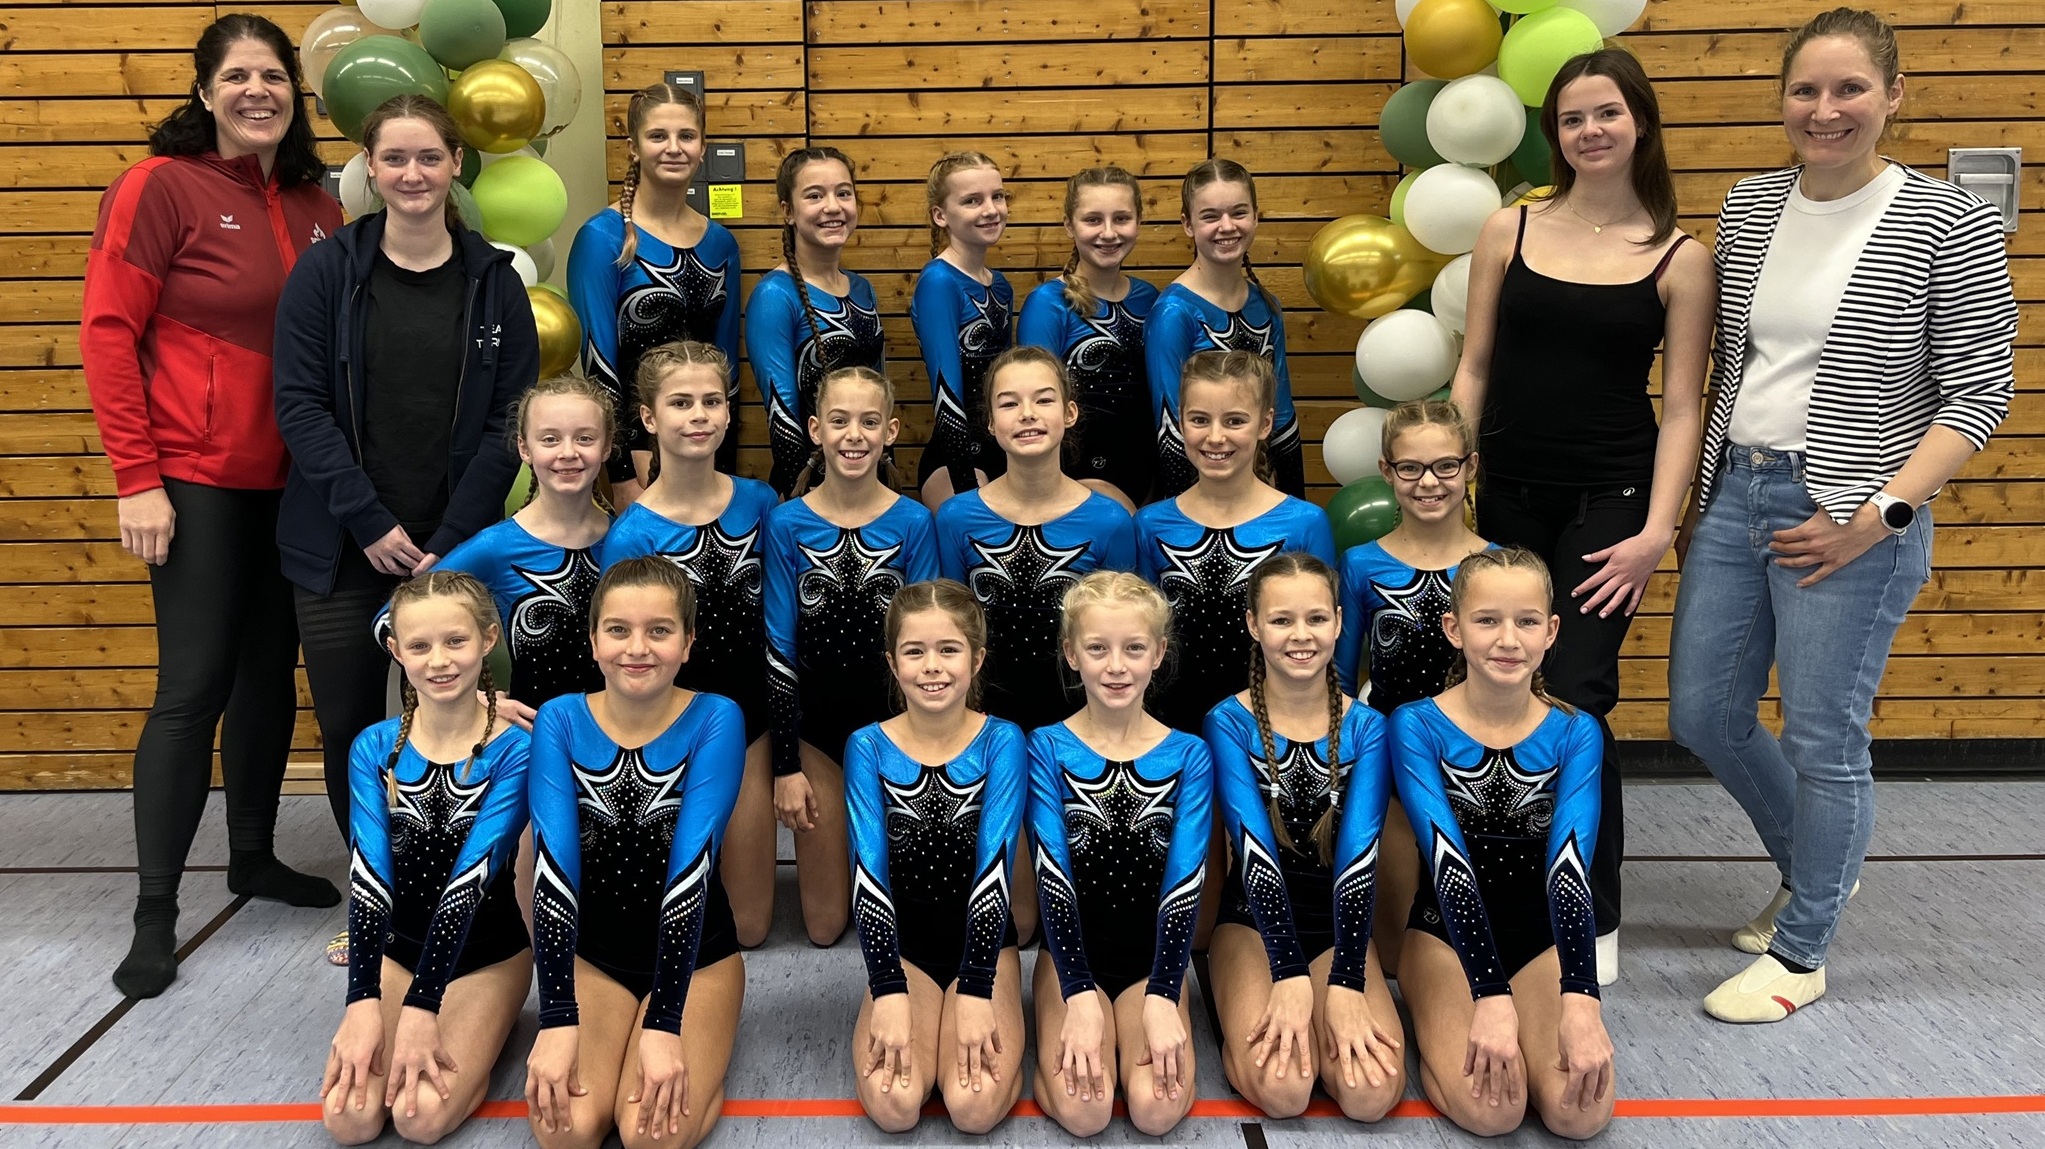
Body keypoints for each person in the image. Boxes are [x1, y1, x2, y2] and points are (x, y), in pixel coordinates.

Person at [1668, 7, 2017, 1024]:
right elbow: (1736, 362)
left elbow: (1977, 391)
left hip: (1853, 514)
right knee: (1702, 713)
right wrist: (1700, 495)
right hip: (1738, 491)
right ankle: (1817, 863)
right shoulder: (1749, 204)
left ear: (1892, 95)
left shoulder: (1946, 219)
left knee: (1823, 735)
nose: (1824, 110)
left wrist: (1877, 515)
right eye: (1804, 90)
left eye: (1849, 88)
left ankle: (1802, 947)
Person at [81, 12, 344, 998]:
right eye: (236, 76)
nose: (255, 92)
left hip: (293, 484)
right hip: (193, 478)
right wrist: (136, 476)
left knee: (268, 675)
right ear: (204, 92)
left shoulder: (318, 203)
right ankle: (155, 913)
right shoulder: (158, 187)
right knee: (192, 685)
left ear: (292, 93)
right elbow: (108, 332)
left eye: (271, 76)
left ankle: (253, 855)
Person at [1448, 49, 1715, 982]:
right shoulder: (1508, 227)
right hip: (1508, 491)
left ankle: (1589, 911)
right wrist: (1454, 470)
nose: (1590, 130)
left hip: (1613, 498)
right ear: (1553, 133)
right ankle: (1496, 886)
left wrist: (1656, 533)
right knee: (1498, 680)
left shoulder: (1680, 256)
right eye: (1571, 118)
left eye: (1606, 113)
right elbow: (1473, 365)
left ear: (1639, 122)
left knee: (1577, 694)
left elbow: (1681, 407)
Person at [273, 93, 538, 873]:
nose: (412, 173)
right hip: (343, 542)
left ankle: (459, 883)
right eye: (394, 158)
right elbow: (299, 404)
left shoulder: (495, 282)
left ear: (456, 163)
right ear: (369, 167)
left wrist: (450, 540)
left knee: (468, 720)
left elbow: (511, 421)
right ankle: (379, 888)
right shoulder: (326, 273)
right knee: (352, 726)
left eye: (429, 156)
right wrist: (368, 521)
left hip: (456, 545)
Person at [525, 558, 747, 1149]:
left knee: (650, 1136)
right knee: (566, 1132)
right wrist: (556, 1017)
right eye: (618, 630)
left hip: (698, 959)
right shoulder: (560, 719)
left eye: (659, 630)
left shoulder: (715, 717)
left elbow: (692, 869)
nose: (637, 648)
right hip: (596, 959)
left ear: (688, 642)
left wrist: (665, 1023)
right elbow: (553, 872)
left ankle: (703, 1054)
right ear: (593, 640)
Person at [1391, 546, 1613, 1139]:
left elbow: (1570, 870)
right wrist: (1490, 995)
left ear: (1551, 631)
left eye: (1527, 621)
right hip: (1443, 935)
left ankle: (1518, 1020)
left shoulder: (1576, 732)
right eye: (1487, 620)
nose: (1508, 639)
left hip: (1538, 939)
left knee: (1579, 1114)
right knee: (1492, 1111)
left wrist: (1581, 1000)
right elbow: (1447, 862)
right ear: (1454, 629)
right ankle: (1437, 1029)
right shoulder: (1416, 725)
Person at [321, 573, 531, 1146]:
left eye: (455, 641)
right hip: (399, 951)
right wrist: (362, 1000)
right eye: (420, 645)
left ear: (488, 639)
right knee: (349, 1118)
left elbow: (471, 881)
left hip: (488, 955)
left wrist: (423, 1006)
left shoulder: (515, 749)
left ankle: (490, 1030)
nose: (439, 661)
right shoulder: (374, 747)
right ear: (396, 650)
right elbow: (369, 878)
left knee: (421, 1117)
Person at [1204, 553, 1403, 1123]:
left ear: (1339, 622)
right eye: (1281, 619)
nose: (1301, 635)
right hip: (1252, 925)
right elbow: (1254, 855)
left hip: (1340, 927)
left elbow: (1360, 858)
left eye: (1316, 618)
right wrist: (1289, 973)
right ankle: (1233, 1010)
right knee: (1284, 1089)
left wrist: (1346, 980)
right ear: (1253, 624)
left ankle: (1319, 1007)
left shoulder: (1369, 728)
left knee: (1370, 1094)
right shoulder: (1228, 722)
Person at [600, 340, 780, 948]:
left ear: (728, 412)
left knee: (749, 927)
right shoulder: (633, 535)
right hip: (672, 722)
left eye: (711, 401)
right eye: (680, 403)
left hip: (751, 718)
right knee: (669, 913)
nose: (698, 415)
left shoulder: (760, 503)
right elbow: (628, 656)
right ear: (649, 418)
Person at [1028, 572, 1211, 1137]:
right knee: (1086, 1112)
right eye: (1097, 649)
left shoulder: (1189, 755)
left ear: (1158, 653)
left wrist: (1164, 993)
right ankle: (1049, 1054)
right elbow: (1052, 877)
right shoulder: (1046, 746)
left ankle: (1136, 1022)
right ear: (1071, 654)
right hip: (1070, 955)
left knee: (1156, 1110)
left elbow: (1185, 884)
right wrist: (1078, 992)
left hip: (1153, 960)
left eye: (1133, 648)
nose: (1116, 666)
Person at [844, 581, 1027, 1134]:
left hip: (985, 944)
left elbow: (995, 869)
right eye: (914, 651)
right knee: (895, 1105)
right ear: (892, 662)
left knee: (973, 1107)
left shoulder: (1002, 741)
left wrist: (976, 987)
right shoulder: (868, 746)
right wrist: (887, 988)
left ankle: (995, 1040)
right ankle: (925, 1014)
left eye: (949, 649)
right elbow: (868, 875)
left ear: (977, 658)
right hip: (905, 948)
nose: (932, 667)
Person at [765, 367, 939, 945]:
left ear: (891, 431)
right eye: (839, 421)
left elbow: (926, 647)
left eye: (869, 422)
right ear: (815, 430)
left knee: (908, 919)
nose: (854, 435)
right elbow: (780, 649)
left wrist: (925, 756)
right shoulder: (786, 524)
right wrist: (786, 765)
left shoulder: (914, 522)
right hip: (817, 735)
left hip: (895, 732)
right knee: (824, 927)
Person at [1334, 399, 1493, 974]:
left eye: (1446, 466)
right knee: (1399, 956)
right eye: (1411, 468)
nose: (1429, 482)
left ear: (1469, 467)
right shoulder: (1362, 565)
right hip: (1393, 767)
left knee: (1474, 940)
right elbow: (1341, 680)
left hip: (1475, 761)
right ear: (1386, 471)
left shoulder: (1495, 565)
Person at [377, 375, 614, 710]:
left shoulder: (628, 537)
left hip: (625, 725)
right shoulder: (495, 546)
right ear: (524, 448)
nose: (568, 452)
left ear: (606, 446)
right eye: (550, 439)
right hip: (534, 728)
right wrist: (478, 701)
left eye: (585, 438)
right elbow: (387, 622)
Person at [936, 346, 1138, 733]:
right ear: (990, 422)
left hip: (1081, 722)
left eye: (1044, 400)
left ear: (1069, 413)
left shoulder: (1110, 522)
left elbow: (1123, 636)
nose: (1027, 413)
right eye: (1009, 403)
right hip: (983, 722)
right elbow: (951, 630)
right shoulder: (956, 518)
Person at [1135, 351, 1334, 737]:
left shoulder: (1304, 523)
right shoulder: (1151, 525)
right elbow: (1139, 638)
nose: (1215, 437)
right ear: (1179, 421)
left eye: (1235, 421)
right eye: (1199, 420)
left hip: (1271, 730)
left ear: (1265, 424)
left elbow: (1326, 641)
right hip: (1172, 727)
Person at [568, 84, 741, 498]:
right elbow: (599, 366)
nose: (674, 148)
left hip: (705, 446)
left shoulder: (721, 244)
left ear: (703, 147)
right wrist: (622, 474)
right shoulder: (603, 238)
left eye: (687, 136)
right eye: (658, 136)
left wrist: (724, 464)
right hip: (638, 452)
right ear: (634, 147)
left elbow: (727, 368)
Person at [1146, 160, 1304, 499]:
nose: (1227, 226)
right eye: (1211, 216)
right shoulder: (1174, 313)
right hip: (1199, 492)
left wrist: (1292, 503)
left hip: (1258, 489)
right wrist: (1191, 513)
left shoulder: (1266, 305)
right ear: (1187, 224)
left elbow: (1282, 414)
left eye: (1239, 212)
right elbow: (1172, 427)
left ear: (1256, 216)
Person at [747, 147, 885, 496]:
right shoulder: (774, 296)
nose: (833, 207)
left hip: (869, 479)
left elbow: (880, 400)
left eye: (843, 193)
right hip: (808, 488)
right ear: (788, 211)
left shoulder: (863, 289)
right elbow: (782, 418)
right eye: (814, 196)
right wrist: (808, 504)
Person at [1017, 166, 1157, 509]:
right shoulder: (1049, 304)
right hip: (1077, 476)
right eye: (1093, 220)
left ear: (1138, 222)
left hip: (1152, 472)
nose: (1108, 233)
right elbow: (1033, 403)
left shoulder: (1151, 299)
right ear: (1069, 225)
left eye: (1121, 219)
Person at [911, 151, 1015, 508]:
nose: (991, 209)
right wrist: (967, 488)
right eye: (972, 200)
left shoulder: (1000, 286)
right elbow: (946, 394)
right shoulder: (939, 282)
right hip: (955, 457)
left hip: (1001, 448)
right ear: (941, 216)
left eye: (997, 196)